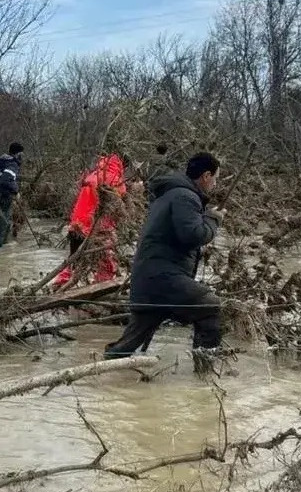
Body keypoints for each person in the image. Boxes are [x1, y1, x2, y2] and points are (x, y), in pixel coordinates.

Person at [104, 152, 225, 371]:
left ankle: (98, 376)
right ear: (206, 176)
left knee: (125, 347)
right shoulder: (185, 197)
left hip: (150, 279)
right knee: (210, 306)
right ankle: (205, 378)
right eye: (215, 178)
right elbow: (192, 236)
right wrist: (213, 220)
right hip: (163, 278)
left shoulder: (171, 194)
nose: (215, 184)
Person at [54, 153, 127, 286]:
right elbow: (118, 202)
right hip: (96, 226)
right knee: (106, 258)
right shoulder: (115, 180)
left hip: (76, 223)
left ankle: (61, 282)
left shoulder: (92, 175)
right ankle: (103, 285)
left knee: (73, 257)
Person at [0, 141, 24, 248]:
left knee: (0, 221)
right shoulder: (12, 164)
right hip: (3, 195)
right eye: (21, 153)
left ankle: (1, 248)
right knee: (4, 223)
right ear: (17, 154)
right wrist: (16, 191)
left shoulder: (2, 160)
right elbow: (5, 180)